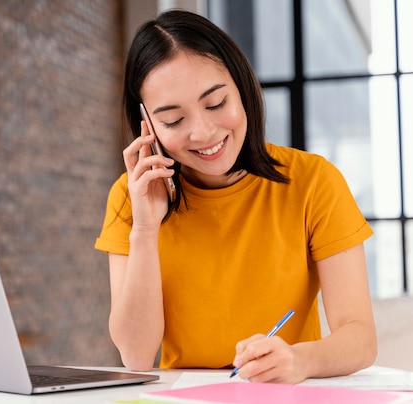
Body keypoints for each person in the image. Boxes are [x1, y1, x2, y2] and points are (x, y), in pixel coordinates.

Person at [94, 9, 376, 384]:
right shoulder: (133, 196)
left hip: (284, 393)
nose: (203, 132)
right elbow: (137, 355)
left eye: (215, 104)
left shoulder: (313, 182)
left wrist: (300, 359)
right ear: (148, 127)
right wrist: (145, 229)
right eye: (174, 121)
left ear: (242, 87)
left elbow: (360, 337)